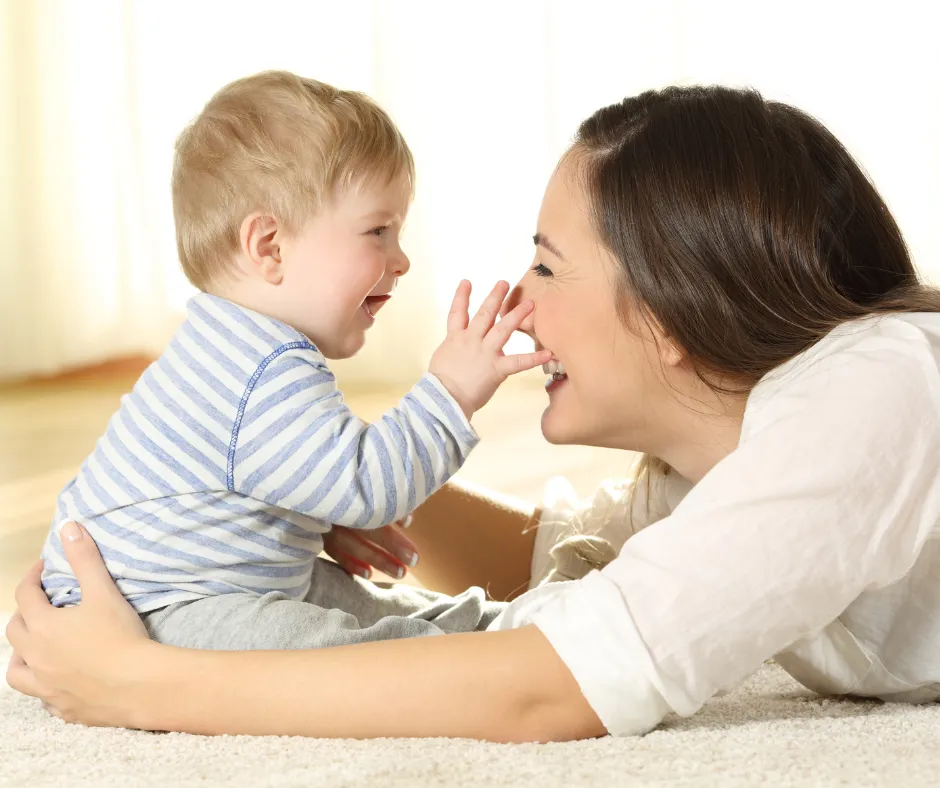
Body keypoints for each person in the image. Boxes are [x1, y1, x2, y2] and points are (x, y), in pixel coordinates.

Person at [8, 84, 940, 743]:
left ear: (669, 311)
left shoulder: (874, 392)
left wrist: (144, 685)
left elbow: (552, 690)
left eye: (546, 265)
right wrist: (291, 488)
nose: (518, 303)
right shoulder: (721, 463)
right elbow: (555, 562)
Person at [39, 70, 549, 650]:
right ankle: (483, 647)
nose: (401, 259)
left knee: (352, 603)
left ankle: (486, 631)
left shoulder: (228, 343)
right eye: (378, 231)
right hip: (153, 610)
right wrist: (452, 390)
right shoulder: (262, 367)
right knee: (334, 646)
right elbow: (366, 486)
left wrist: (309, 520)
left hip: (198, 588)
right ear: (271, 247)